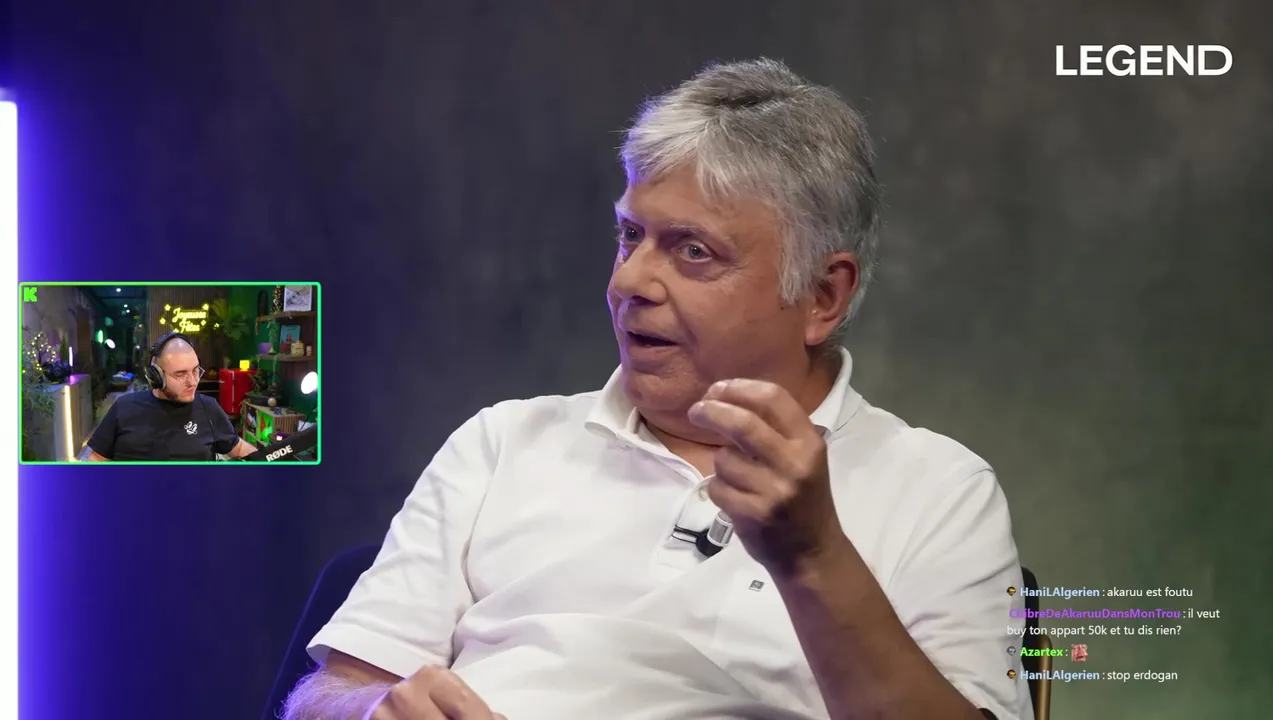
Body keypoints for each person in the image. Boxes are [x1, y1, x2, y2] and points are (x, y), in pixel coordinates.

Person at [284, 58, 1032, 720]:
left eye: (694, 252)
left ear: (821, 296)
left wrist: (812, 556)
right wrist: (371, 709)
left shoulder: (940, 491)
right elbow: (324, 695)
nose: (630, 282)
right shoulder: (501, 444)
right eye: (629, 236)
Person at [87, 332, 257, 461]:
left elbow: (238, 448)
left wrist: (264, 465)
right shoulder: (124, 407)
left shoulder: (209, 408)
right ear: (156, 376)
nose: (192, 382)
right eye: (180, 374)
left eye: (195, 371)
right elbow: (96, 459)